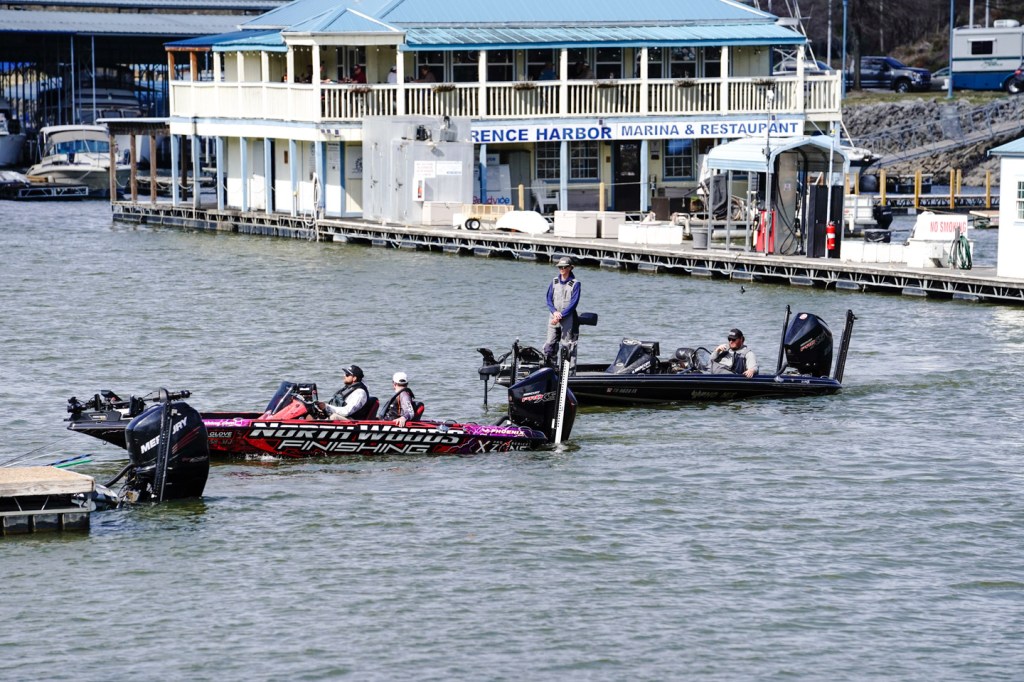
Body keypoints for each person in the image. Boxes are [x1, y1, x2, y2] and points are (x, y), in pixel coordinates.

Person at [544, 256, 581, 373]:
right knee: (550, 344)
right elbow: (548, 299)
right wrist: (555, 312)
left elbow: (574, 303)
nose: (562, 269)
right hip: (553, 316)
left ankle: (569, 372)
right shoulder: (554, 281)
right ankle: (550, 369)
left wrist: (561, 315)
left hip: (568, 318)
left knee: (567, 346)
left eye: (564, 267)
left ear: (570, 268)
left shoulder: (575, 284)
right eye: (560, 267)